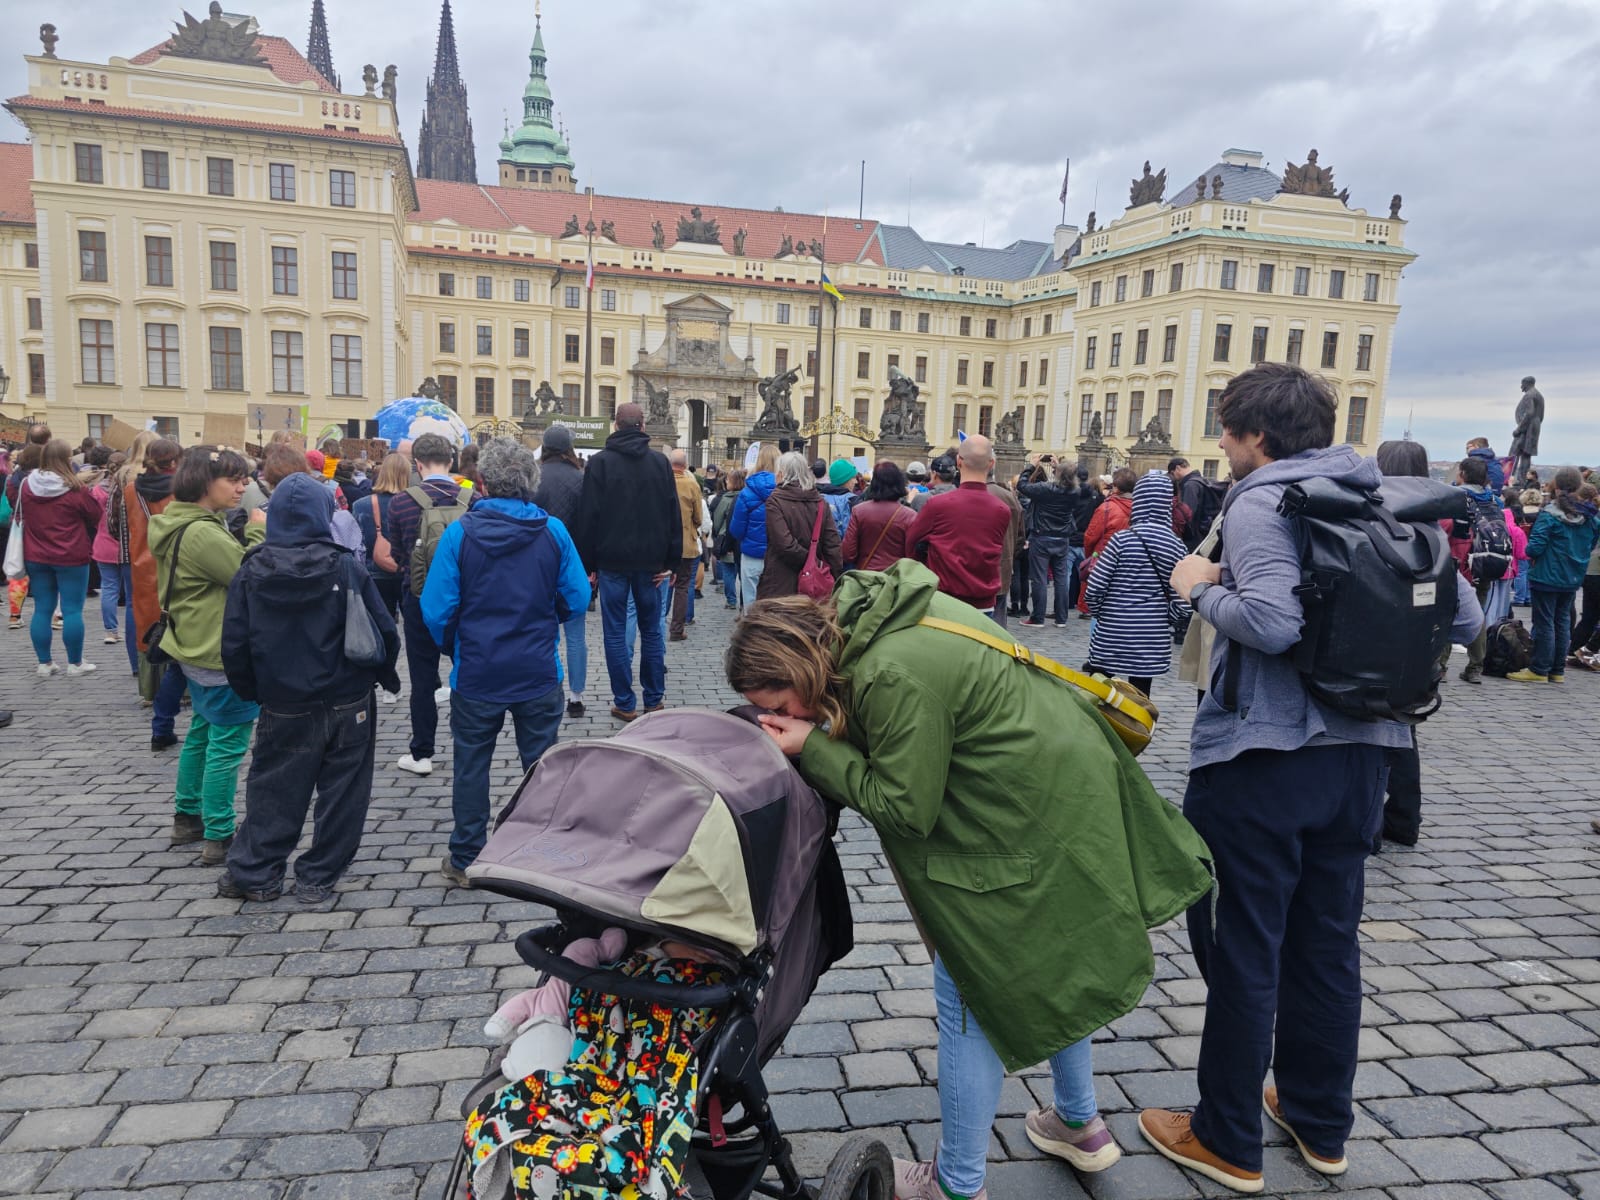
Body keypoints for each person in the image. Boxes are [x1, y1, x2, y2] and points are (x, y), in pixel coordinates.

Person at [727, 566, 1214, 1200]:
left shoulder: (889, 672)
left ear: (797, 670)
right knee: (1049, 959)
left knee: (971, 985)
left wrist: (813, 748)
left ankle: (954, 1185)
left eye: (775, 706)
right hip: (1056, 795)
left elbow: (906, 806)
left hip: (1024, 820)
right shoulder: (879, 618)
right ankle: (1078, 1122)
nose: (779, 719)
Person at [1149, 364, 1482, 1193]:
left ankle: (1225, 1135)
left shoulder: (1262, 500)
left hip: (1262, 759)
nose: (1223, 448)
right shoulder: (1388, 494)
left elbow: (1272, 621)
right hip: (1366, 756)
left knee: (1242, 947)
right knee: (1328, 946)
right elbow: (1469, 618)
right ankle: (1318, 1118)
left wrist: (1199, 589)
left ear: (1256, 436)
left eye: (1227, 432)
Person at [219, 473, 400, 903]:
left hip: (284, 698)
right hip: (347, 695)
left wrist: (252, 690)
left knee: (274, 787)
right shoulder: (345, 565)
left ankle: (257, 872)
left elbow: (234, 642)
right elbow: (384, 630)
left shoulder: (252, 570)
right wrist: (383, 675)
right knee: (344, 790)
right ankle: (319, 874)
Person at [423, 441, 590, 886]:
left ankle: (465, 856)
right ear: (530, 484)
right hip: (536, 668)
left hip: (477, 670)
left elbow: (436, 607)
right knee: (541, 766)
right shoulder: (552, 532)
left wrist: (454, 644)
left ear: (482, 482)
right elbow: (577, 598)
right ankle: (538, 850)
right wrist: (548, 614)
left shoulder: (460, 533)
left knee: (472, 765)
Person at [149, 448, 268, 866]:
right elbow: (248, 576)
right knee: (228, 744)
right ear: (204, 482)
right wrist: (257, 532)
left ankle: (188, 815)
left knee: (202, 732)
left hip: (192, 643)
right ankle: (219, 833)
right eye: (234, 480)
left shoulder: (181, 520)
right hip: (218, 651)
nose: (242, 487)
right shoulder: (203, 532)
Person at [570, 403, 680, 722]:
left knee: (616, 631)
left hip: (612, 561)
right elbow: (672, 515)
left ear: (615, 425)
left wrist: (587, 564)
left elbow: (588, 517)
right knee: (652, 630)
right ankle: (654, 699)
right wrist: (671, 561)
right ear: (643, 425)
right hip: (652, 564)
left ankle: (625, 701)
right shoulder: (660, 463)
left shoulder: (600, 463)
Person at [386, 433, 469, 775]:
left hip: (418, 598)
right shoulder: (471, 499)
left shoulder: (402, 503)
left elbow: (396, 555)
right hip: (464, 599)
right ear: (451, 462)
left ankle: (422, 753)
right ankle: (469, 743)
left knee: (422, 678)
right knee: (466, 670)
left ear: (417, 464)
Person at [1082, 471, 1190, 696]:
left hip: (1111, 633)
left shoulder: (1121, 540)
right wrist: (1162, 618)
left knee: (1099, 694)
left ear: (1138, 500)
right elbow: (1184, 603)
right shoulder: (1177, 547)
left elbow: (1094, 588)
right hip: (1150, 639)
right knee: (1140, 700)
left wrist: (1104, 614)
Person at [16, 439, 104, 677]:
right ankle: (75, 663)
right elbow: (95, 514)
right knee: (72, 609)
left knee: (42, 609)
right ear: (67, 459)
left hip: (36, 554)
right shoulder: (74, 488)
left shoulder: (26, 485)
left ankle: (44, 663)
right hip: (71, 554)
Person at [1508, 468, 1600, 683]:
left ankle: (1539, 668)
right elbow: (1590, 544)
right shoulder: (1590, 518)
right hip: (1573, 576)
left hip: (1546, 575)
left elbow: (1534, 549)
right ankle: (1557, 670)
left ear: (1557, 487)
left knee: (1545, 622)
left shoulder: (1550, 515)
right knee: (1562, 621)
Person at [903, 437, 1012, 617]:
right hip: (983, 600)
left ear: (958, 461)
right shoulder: (1001, 510)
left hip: (944, 597)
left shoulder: (937, 505)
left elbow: (911, 544)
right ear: (991, 464)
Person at [127, 439, 187, 749]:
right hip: (177, 562)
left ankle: (152, 691)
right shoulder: (182, 490)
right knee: (183, 628)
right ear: (175, 461)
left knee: (150, 627)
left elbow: (120, 528)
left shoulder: (131, 489)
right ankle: (186, 691)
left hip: (143, 561)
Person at [533, 425, 589, 717]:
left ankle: (548, 687)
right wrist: (590, 568)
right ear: (569, 448)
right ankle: (576, 696)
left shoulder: (534, 478)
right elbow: (590, 525)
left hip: (537, 566)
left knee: (545, 632)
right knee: (576, 636)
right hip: (573, 565)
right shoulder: (580, 478)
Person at [1446, 455, 1503, 684]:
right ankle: (1475, 666)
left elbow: (1445, 527)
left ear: (1463, 474)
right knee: (1477, 614)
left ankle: (1440, 666)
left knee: (1448, 611)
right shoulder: (1495, 501)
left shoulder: (1455, 497)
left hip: (1458, 560)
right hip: (1485, 561)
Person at [757, 451, 844, 599]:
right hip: (815, 585)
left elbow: (785, 545)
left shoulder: (775, 501)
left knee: (779, 621)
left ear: (781, 473)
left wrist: (812, 562)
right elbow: (833, 545)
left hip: (780, 582)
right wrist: (832, 575)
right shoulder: (820, 503)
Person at [1018, 459, 1080, 627]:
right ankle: (1061, 618)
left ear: (1058, 473)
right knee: (1061, 579)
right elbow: (1070, 480)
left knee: (1039, 579)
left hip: (1042, 537)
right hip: (1062, 538)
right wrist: (1059, 466)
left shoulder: (1045, 489)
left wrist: (1030, 466)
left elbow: (1022, 486)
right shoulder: (1075, 491)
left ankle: (1038, 617)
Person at [352, 452, 411, 627]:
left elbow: (356, 544)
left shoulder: (361, 505)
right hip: (406, 574)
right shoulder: (413, 504)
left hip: (374, 575)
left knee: (380, 628)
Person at [1077, 468, 1136, 616]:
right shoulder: (1139, 508)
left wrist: (1090, 555)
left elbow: (1090, 537)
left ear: (1115, 487)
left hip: (1103, 557)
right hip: (1129, 560)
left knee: (1098, 607)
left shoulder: (1107, 508)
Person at [729, 444, 779, 608]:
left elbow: (736, 530)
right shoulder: (786, 492)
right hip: (778, 556)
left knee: (751, 602)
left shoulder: (747, 493)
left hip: (752, 555)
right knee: (774, 605)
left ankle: (751, 633)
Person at [842, 462, 914, 571]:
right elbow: (913, 555)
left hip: (866, 578)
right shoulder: (909, 516)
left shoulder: (859, 511)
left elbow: (848, 553)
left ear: (874, 483)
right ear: (899, 483)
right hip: (897, 578)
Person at [668, 449, 709, 641]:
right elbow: (699, 518)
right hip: (686, 544)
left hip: (664, 544)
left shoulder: (662, 482)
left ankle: (660, 620)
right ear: (684, 466)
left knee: (663, 586)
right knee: (683, 586)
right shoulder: (692, 485)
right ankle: (677, 628)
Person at [709, 468, 744, 607]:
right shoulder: (746, 496)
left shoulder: (725, 499)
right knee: (742, 573)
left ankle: (731, 600)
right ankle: (742, 602)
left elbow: (717, 520)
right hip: (741, 540)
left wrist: (719, 534)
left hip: (727, 537)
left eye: (729, 480)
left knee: (728, 571)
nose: (726, 482)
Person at [817, 458, 857, 537]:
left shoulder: (819, 498)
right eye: (853, 478)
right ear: (845, 480)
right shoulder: (853, 501)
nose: (856, 481)